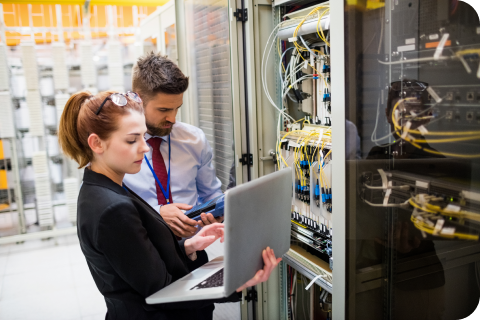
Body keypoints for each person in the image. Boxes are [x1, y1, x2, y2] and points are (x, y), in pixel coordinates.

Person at [58, 90, 281, 320]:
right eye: (132, 140)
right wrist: (236, 281)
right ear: (96, 143)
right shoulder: (112, 209)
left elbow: (139, 262)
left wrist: (187, 247)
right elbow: (165, 293)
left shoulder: (105, 187)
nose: (145, 148)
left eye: (143, 137)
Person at [123, 52, 224, 238]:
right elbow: (106, 208)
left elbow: (211, 194)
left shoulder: (194, 140)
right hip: (144, 249)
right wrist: (156, 213)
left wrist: (216, 214)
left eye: (177, 108)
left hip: (195, 246)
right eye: (164, 110)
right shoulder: (117, 147)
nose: (173, 118)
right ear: (137, 99)